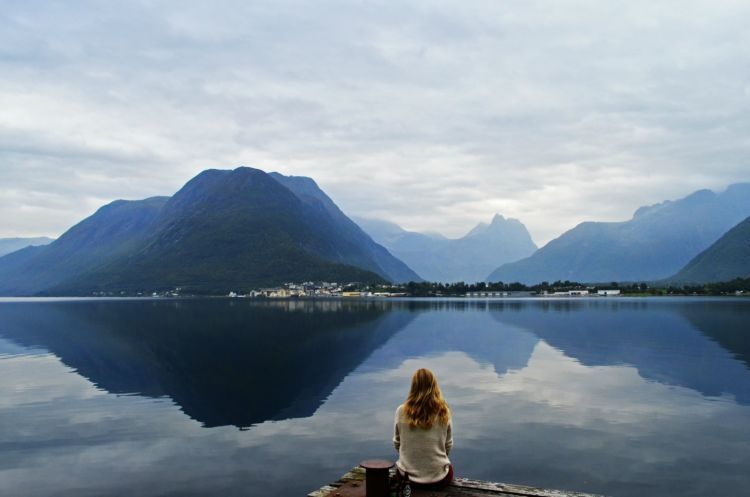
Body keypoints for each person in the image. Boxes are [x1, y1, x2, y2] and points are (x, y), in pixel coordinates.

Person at [393, 368, 454, 488]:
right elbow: (448, 445)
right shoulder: (444, 411)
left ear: (413, 386)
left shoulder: (401, 411)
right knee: (449, 468)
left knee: (399, 470)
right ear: (434, 385)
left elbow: (397, 443)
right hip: (439, 479)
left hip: (407, 478)